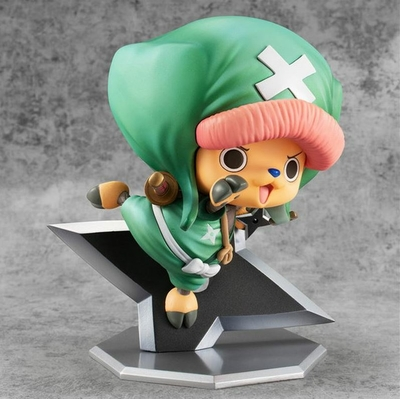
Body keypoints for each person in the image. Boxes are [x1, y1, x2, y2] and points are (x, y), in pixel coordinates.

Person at [87, 16, 345, 329]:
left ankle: (181, 286)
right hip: (180, 226)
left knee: (197, 261)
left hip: (211, 238)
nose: (273, 174)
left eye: (291, 166)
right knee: (154, 227)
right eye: (234, 157)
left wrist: (232, 236)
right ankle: (121, 197)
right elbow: (214, 207)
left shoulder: (240, 207)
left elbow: (228, 216)